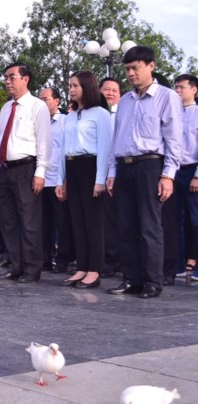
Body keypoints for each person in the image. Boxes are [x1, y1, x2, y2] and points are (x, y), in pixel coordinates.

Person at [106, 46, 183, 298]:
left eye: (135, 68)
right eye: (127, 69)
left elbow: (174, 139)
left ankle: (152, 281)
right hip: (123, 166)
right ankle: (131, 279)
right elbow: (115, 138)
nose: (130, 73)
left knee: (150, 226)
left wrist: (168, 175)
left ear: (151, 66)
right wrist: (111, 172)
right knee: (125, 226)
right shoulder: (125, 100)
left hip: (151, 165)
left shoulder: (166, 96)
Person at [0, 62, 52, 283]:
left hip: (27, 168)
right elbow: (0, 140)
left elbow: (44, 141)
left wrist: (40, 171)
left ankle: (31, 268)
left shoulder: (37, 106)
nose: (7, 81)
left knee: (29, 221)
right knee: (8, 222)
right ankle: (16, 265)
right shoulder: (7, 108)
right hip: (6, 170)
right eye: (6, 77)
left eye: (12, 77)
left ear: (25, 79)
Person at [56, 72, 112, 289]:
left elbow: (105, 147)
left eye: (76, 85)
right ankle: (81, 266)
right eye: (70, 85)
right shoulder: (70, 116)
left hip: (91, 166)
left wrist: (100, 179)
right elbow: (63, 149)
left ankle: (94, 269)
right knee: (76, 220)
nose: (71, 89)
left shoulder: (100, 114)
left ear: (87, 86)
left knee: (93, 221)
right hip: (72, 166)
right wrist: (61, 180)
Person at [39, 87, 75, 274]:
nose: (42, 103)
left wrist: (64, 180)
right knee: (43, 223)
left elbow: (66, 152)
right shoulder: (36, 122)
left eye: (46, 99)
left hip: (58, 180)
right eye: (40, 100)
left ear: (57, 101)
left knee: (62, 223)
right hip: (40, 179)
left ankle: (63, 258)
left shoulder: (65, 122)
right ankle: (44, 258)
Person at [173, 74, 198, 281]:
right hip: (173, 171)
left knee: (195, 220)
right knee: (175, 221)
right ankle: (178, 264)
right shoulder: (173, 113)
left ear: (194, 90)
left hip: (192, 170)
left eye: (182, 87)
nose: (178, 91)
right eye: (176, 87)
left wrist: (197, 176)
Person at [98, 77, 123, 279]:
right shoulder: (98, 115)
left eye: (114, 90)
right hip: (99, 172)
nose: (110, 93)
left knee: (115, 219)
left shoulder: (121, 114)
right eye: (106, 89)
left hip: (117, 173)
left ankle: (114, 260)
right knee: (102, 220)